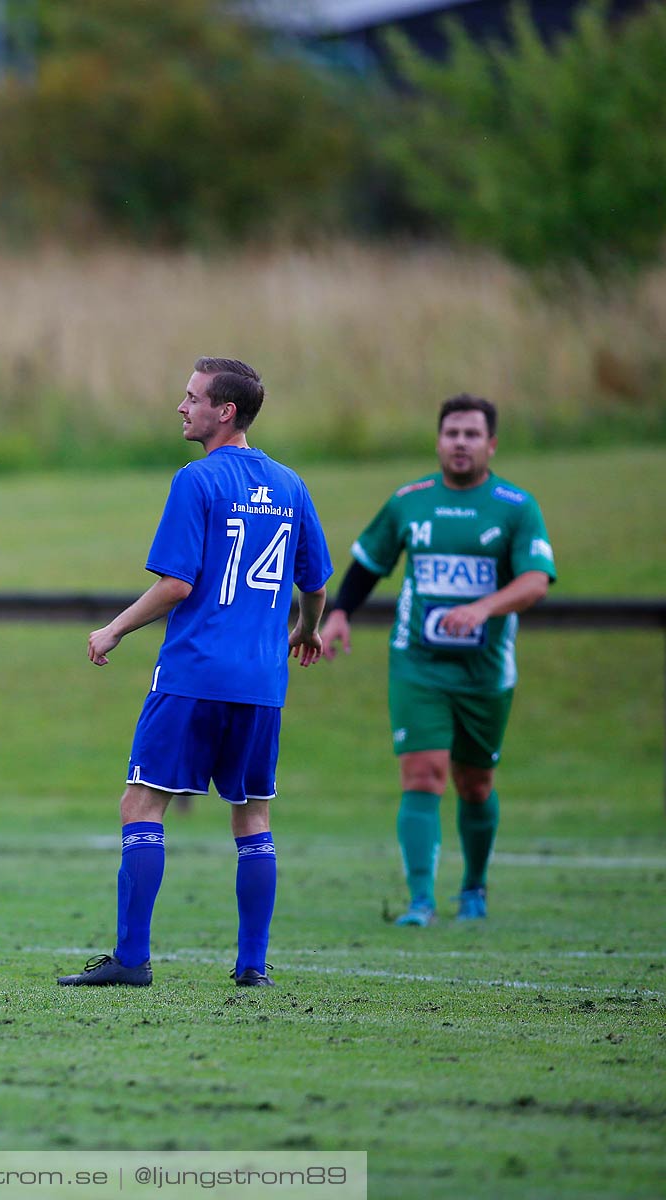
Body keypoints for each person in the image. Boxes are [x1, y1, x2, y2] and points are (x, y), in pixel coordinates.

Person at [58, 358, 329, 989]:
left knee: (141, 802)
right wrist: (308, 629)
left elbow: (177, 584)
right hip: (262, 683)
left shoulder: (197, 480)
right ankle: (253, 967)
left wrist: (114, 628)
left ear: (224, 411)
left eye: (192, 397)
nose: (182, 407)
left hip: (192, 674)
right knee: (253, 815)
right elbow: (314, 581)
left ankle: (131, 959)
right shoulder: (290, 484)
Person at [319, 394, 554, 927]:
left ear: (491, 444)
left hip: (486, 671)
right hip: (417, 665)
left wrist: (483, 608)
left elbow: (536, 582)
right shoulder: (410, 501)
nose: (461, 443)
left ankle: (473, 889)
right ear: (438, 440)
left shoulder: (517, 507)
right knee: (423, 775)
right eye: (452, 433)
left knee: (475, 783)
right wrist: (338, 615)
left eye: (472, 434)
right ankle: (420, 901)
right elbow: (367, 564)